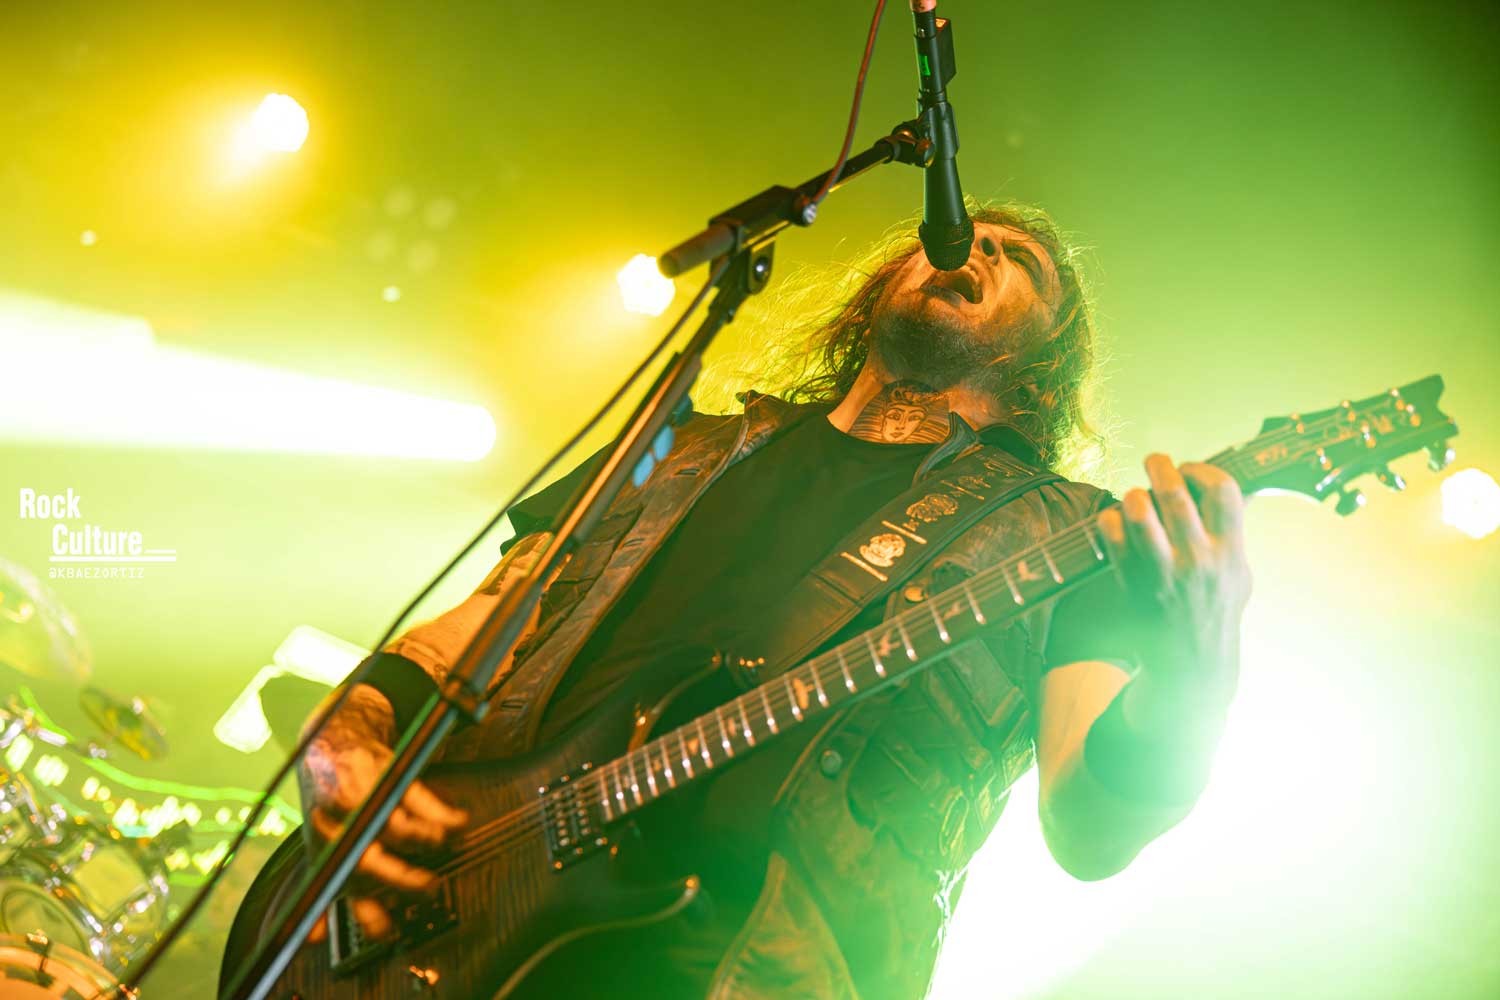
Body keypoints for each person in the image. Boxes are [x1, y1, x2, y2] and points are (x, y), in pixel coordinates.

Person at [294, 203, 1251, 999]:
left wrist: (1196, 674)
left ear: (1046, 357)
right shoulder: (677, 452)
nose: (983, 247)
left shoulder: (1064, 536)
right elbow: (458, 643)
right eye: (970, 232)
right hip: (450, 916)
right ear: (881, 284)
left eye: (1023, 263)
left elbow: (1089, 834)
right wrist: (342, 743)